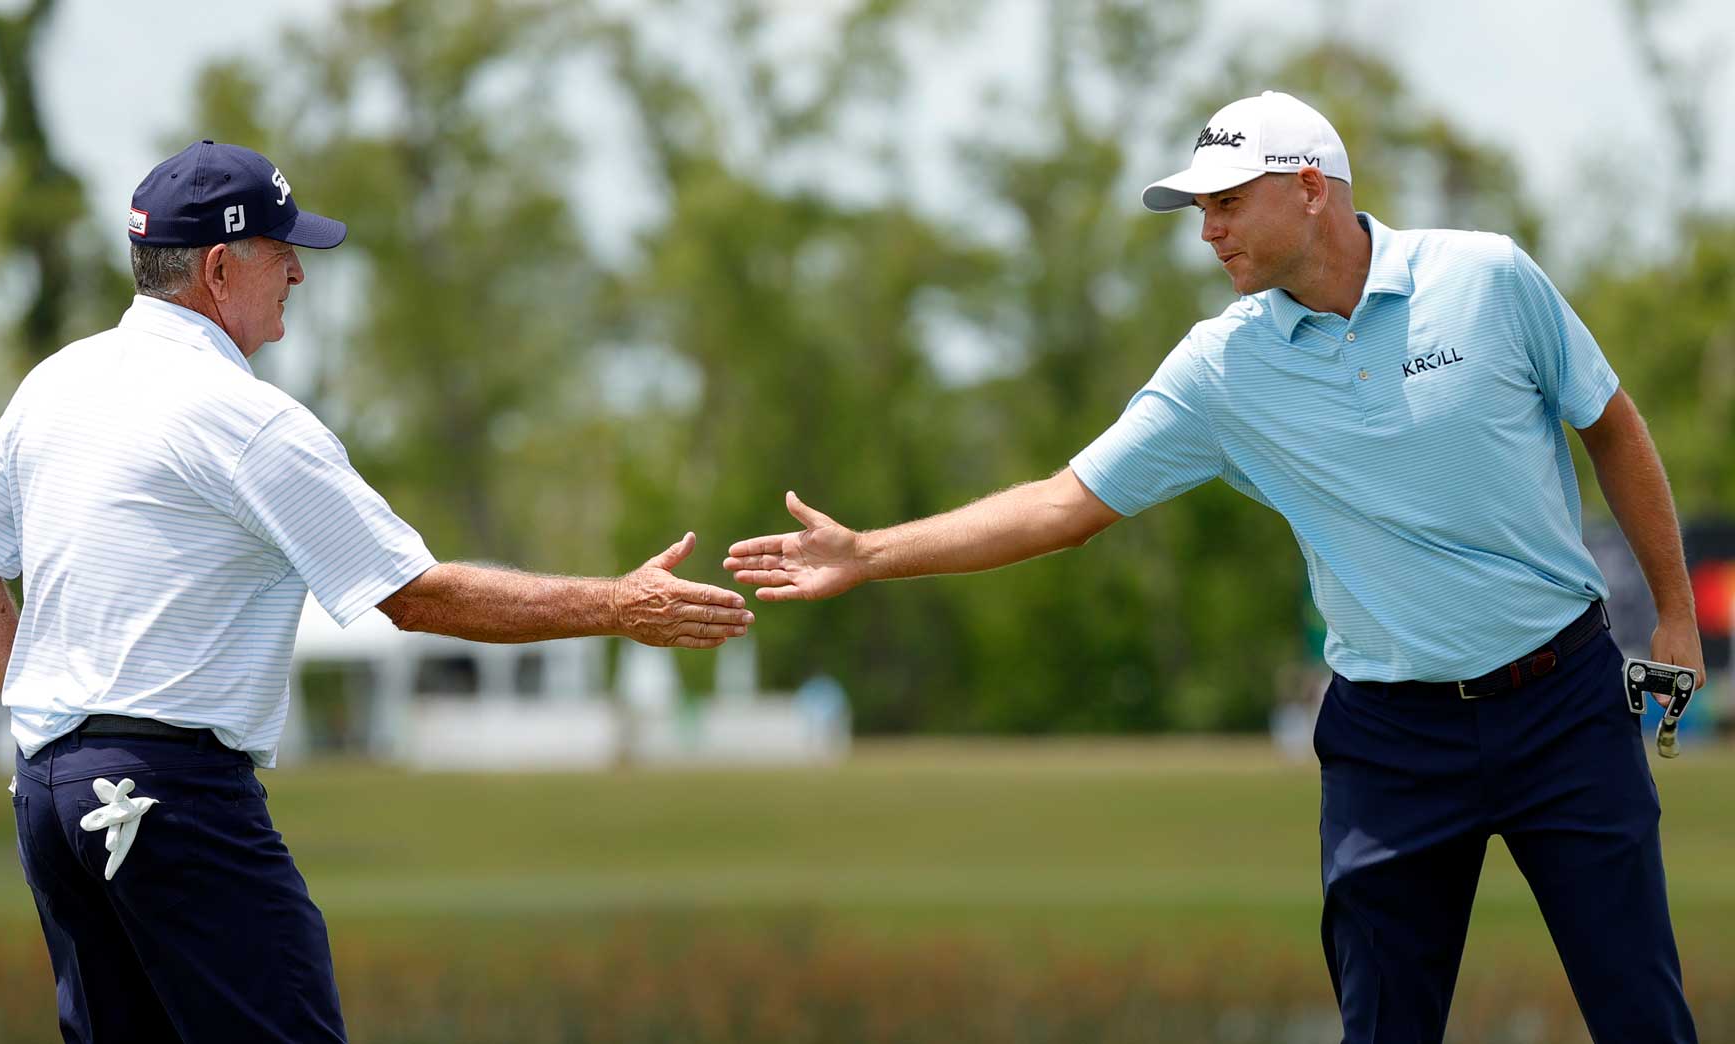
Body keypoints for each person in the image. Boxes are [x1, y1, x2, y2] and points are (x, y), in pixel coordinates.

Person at [722, 91, 1701, 1043]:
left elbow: (1610, 425)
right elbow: (1061, 506)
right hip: (1391, 742)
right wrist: (869, 553)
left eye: (1226, 202)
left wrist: (1674, 614)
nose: (1207, 232)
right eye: (1199, 209)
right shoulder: (1219, 369)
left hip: (1561, 705)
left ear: (1309, 188)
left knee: (1640, 1016)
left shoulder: (1487, 279)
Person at [0, 139, 753, 1043]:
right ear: (219, 269)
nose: (298, 276)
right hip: (168, 798)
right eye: (282, 253)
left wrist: (53, 715)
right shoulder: (242, 417)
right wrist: (618, 606)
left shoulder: (59, 383)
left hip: (49, 796)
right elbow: (415, 596)